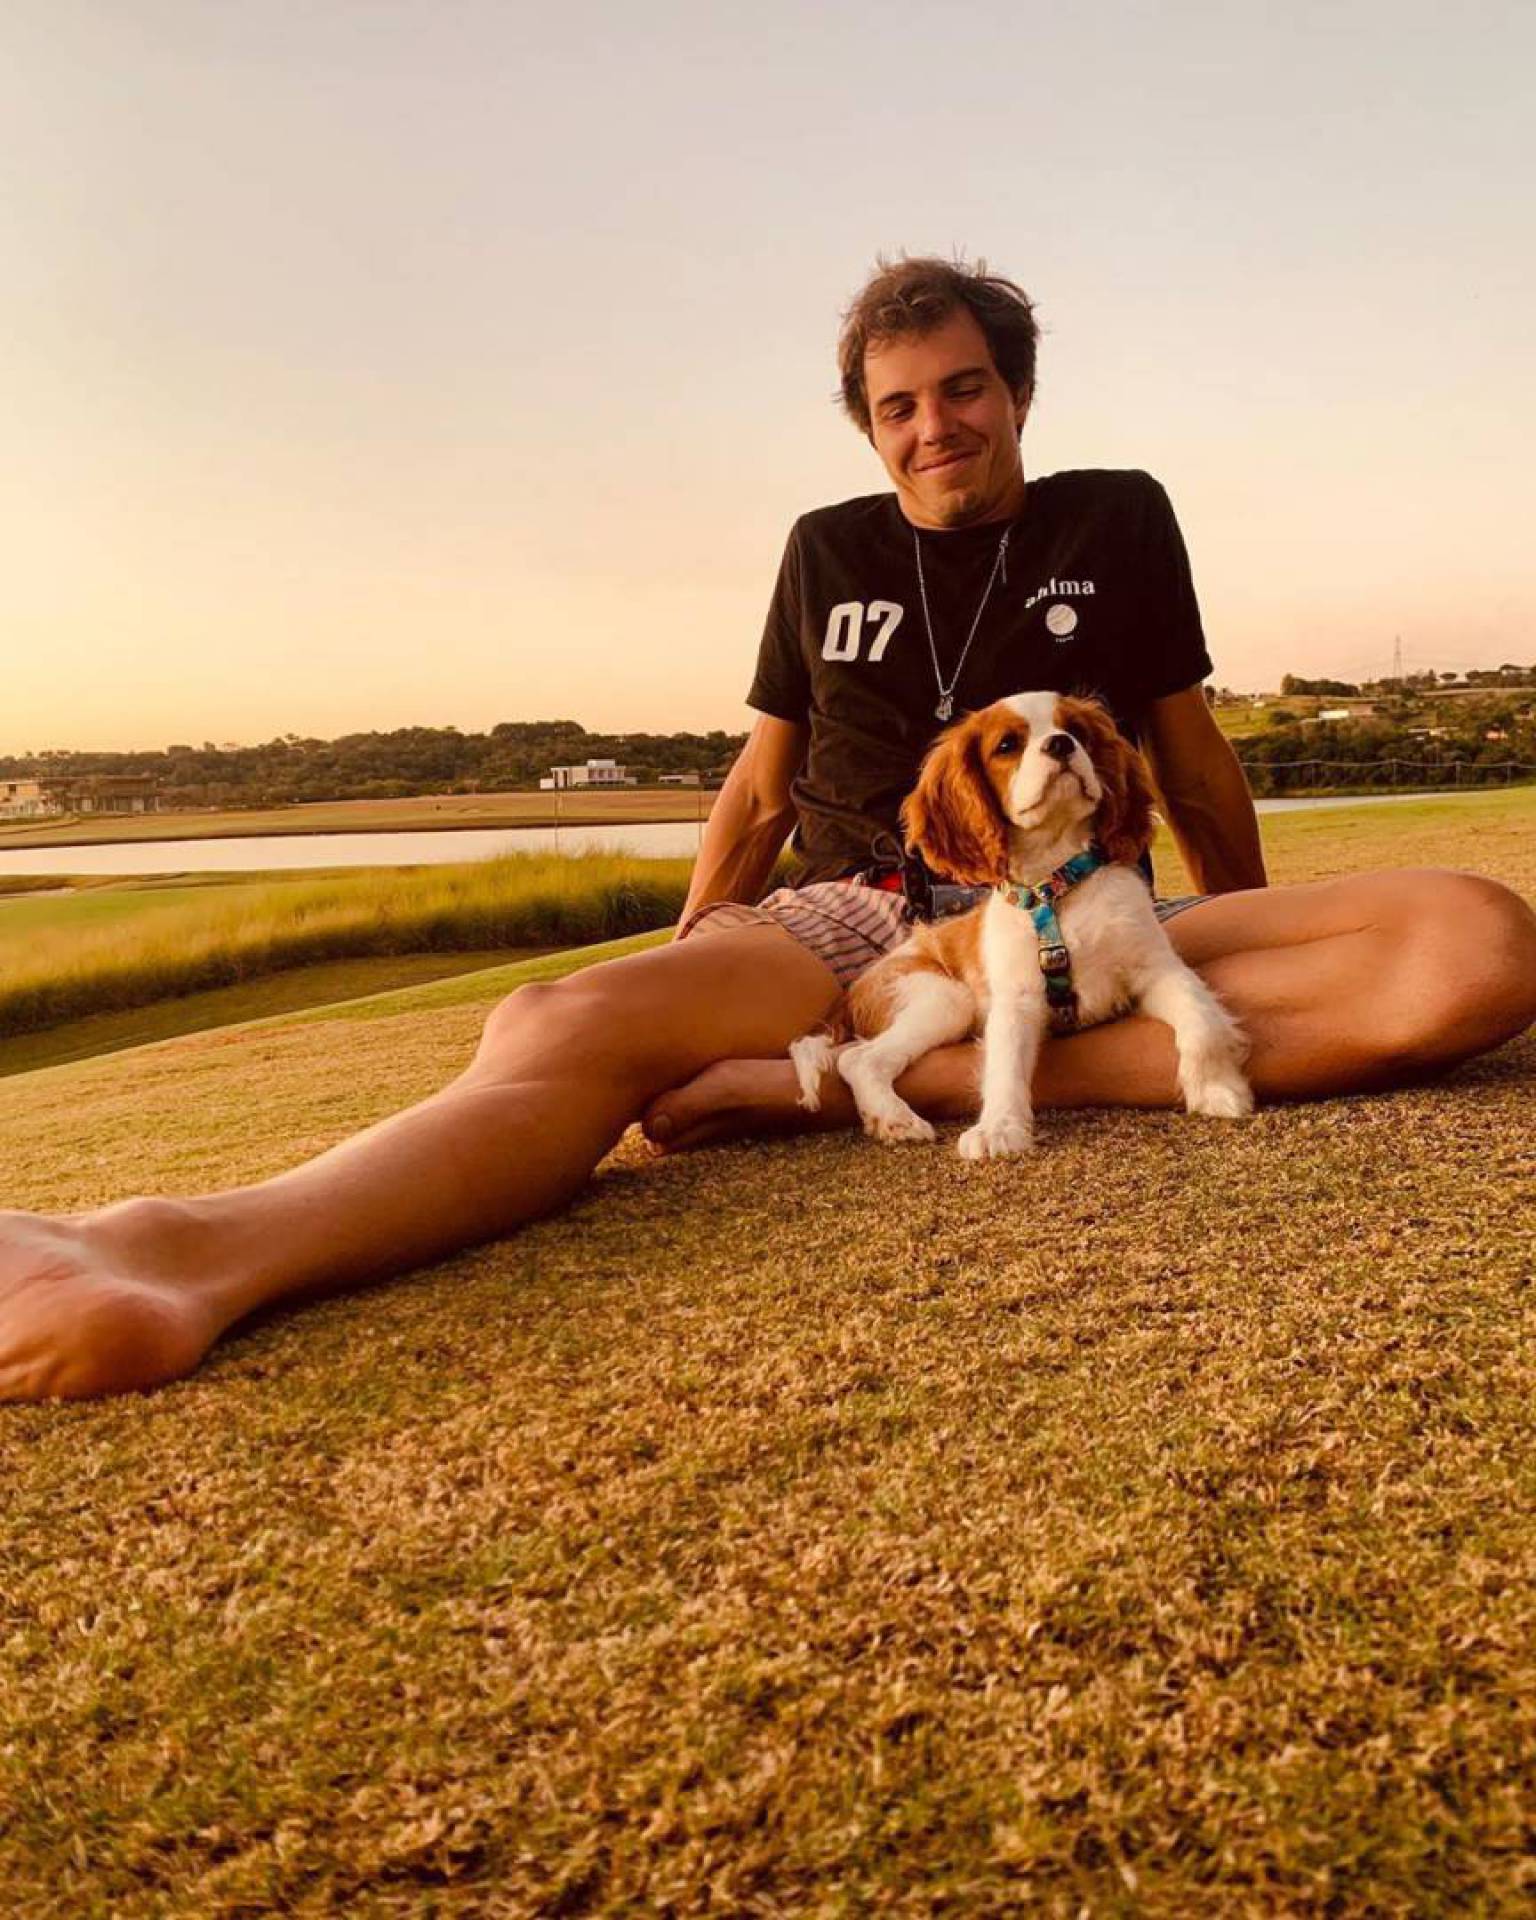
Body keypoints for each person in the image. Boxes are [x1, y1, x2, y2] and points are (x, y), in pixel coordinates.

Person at [2, 256, 1533, 1403]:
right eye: (898, 407)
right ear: (870, 427)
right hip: (852, 912)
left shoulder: (1116, 517)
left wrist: (1225, 923)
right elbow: (756, 787)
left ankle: (847, 1091)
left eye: (963, 390)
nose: (934, 428)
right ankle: (183, 1251)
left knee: (1474, 949)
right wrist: (690, 960)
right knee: (564, 1018)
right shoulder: (825, 550)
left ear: (1015, 394)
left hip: (1079, 909)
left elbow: (1190, 760)